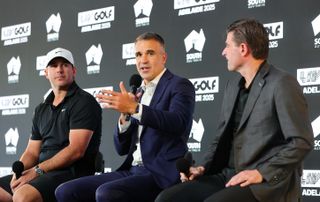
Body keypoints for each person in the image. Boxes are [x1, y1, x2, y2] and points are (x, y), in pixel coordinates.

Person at [155, 19, 314, 202]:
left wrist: (260, 173)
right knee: (167, 198)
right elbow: (220, 138)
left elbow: (301, 142)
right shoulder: (233, 86)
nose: (223, 52)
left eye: (227, 46)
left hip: (264, 182)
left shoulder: (282, 83)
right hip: (229, 174)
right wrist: (203, 168)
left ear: (243, 49)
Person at [54, 32, 195, 202]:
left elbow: (178, 123)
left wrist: (135, 108)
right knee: (66, 191)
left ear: (163, 57)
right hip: (131, 169)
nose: (143, 60)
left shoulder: (179, 85)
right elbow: (121, 148)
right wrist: (125, 116)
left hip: (161, 172)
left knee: (107, 193)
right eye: (138, 54)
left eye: (150, 53)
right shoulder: (137, 92)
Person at [0, 47, 102, 202]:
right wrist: (18, 174)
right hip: (43, 172)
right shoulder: (41, 108)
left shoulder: (84, 101)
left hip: (72, 172)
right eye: (54, 66)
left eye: (65, 65)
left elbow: (76, 150)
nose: (59, 70)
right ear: (46, 72)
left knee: (23, 196)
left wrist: (37, 171)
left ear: (73, 70)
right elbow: (32, 152)